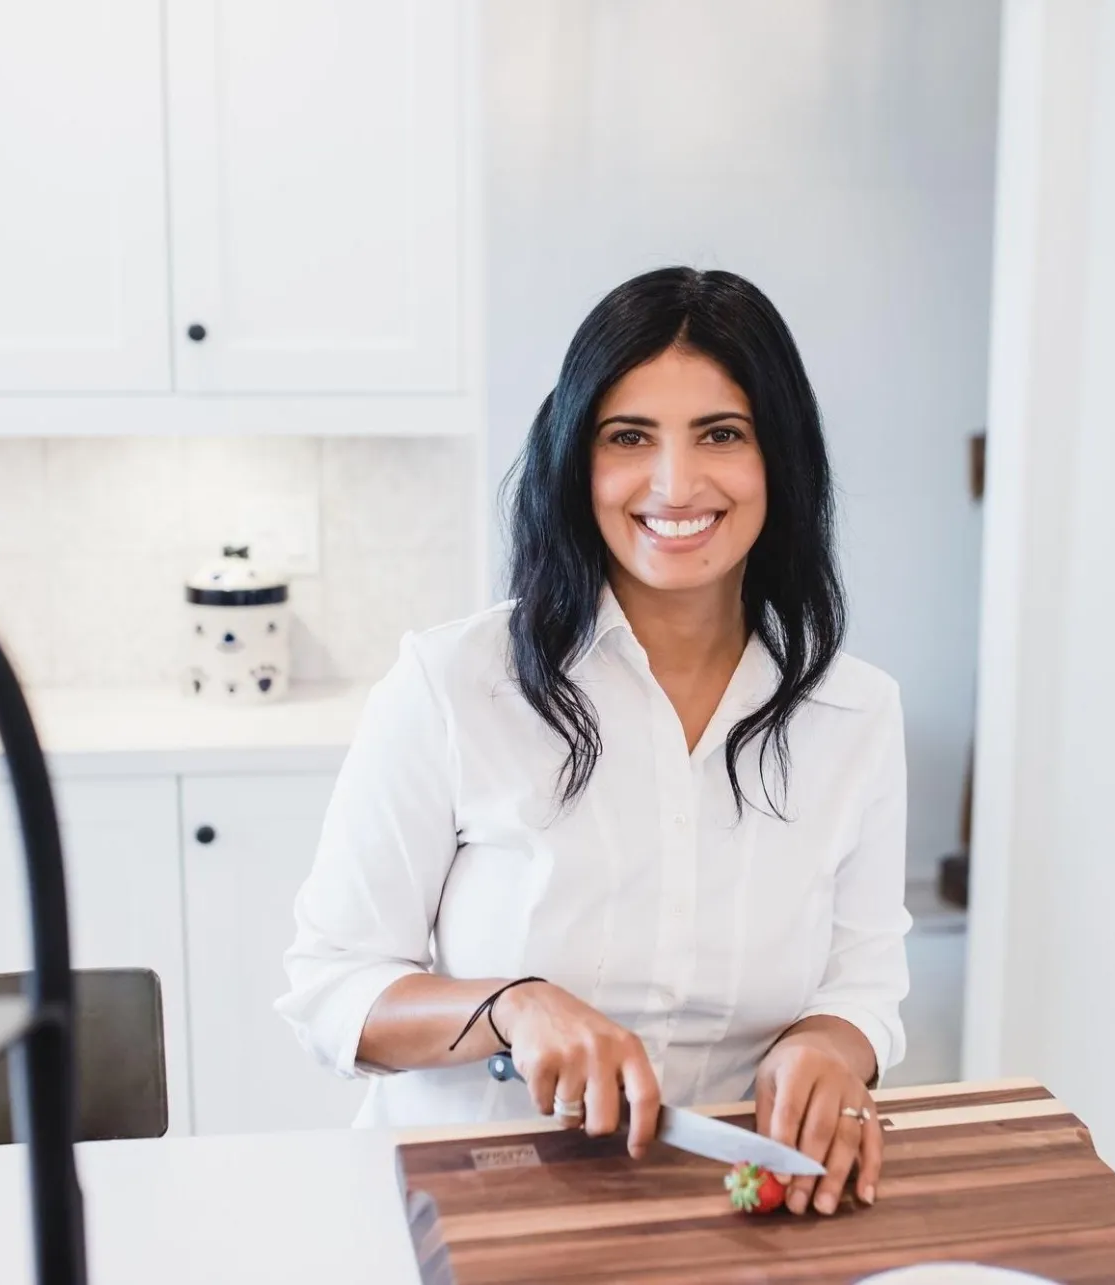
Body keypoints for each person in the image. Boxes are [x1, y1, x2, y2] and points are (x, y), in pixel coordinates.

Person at [276, 267, 911, 1217]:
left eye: (721, 434)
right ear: (579, 458)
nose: (675, 483)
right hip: (470, 1206)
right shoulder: (452, 684)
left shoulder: (855, 712)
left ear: (780, 457)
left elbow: (864, 980)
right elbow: (332, 988)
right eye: (630, 437)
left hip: (727, 1209)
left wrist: (828, 1042)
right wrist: (511, 1005)